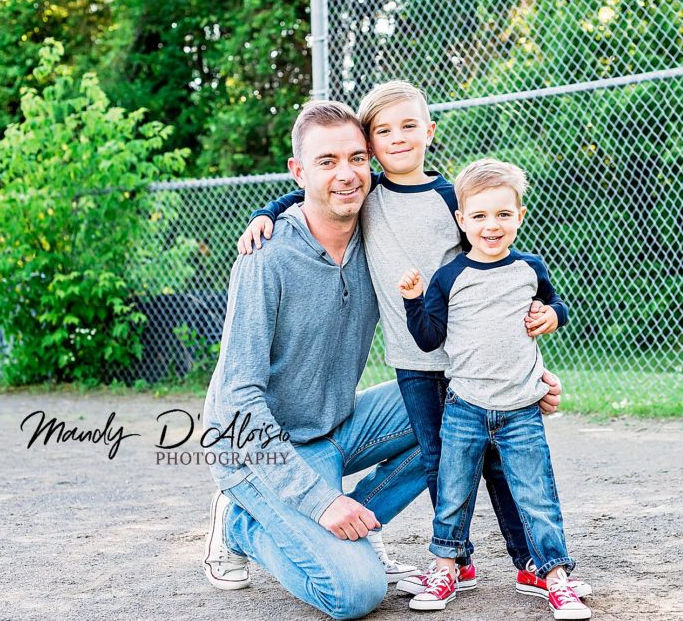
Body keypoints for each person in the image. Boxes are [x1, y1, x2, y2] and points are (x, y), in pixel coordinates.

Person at [202, 101, 561, 620]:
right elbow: (237, 401)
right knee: (355, 593)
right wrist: (321, 502)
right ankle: (243, 522)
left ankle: (348, 529)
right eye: (327, 161)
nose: (346, 174)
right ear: (298, 172)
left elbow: (476, 297)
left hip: (337, 423)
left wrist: (524, 382)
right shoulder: (267, 257)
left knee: (455, 410)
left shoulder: (376, 237)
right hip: (261, 447)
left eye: (356, 158)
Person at [398, 159, 591, 619]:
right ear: (462, 221)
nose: (492, 225)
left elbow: (553, 303)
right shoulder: (449, 277)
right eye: (480, 216)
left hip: (522, 409)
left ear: (519, 216)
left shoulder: (529, 267)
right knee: (453, 491)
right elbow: (429, 338)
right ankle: (447, 567)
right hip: (464, 407)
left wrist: (554, 316)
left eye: (503, 214)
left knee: (536, 494)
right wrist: (411, 300)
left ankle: (553, 576)